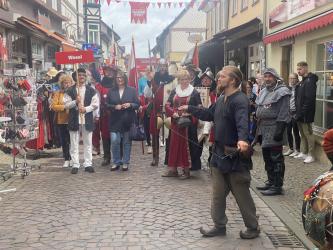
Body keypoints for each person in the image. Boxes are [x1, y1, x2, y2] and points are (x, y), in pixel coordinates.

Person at [180, 65, 260, 239]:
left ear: (232, 80)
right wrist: (190, 108)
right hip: (218, 154)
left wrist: (243, 139)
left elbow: (242, 122)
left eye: (223, 76)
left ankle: (253, 227)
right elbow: (209, 114)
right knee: (217, 194)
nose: (219, 79)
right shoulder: (223, 97)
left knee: (242, 194)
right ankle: (219, 225)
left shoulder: (240, 100)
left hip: (234, 155)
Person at [255, 68, 291, 196]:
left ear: (275, 77)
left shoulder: (282, 92)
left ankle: (277, 186)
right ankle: (270, 182)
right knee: (267, 157)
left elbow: (284, 111)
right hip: (263, 128)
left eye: (270, 76)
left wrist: (280, 129)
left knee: (276, 158)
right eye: (265, 76)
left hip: (276, 127)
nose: (267, 79)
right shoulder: (264, 90)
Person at [162, 69, 202, 179]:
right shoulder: (175, 91)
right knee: (173, 146)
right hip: (175, 123)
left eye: (187, 79)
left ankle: (186, 170)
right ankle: (173, 170)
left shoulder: (194, 92)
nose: (185, 81)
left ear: (190, 79)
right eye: (182, 79)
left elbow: (199, 109)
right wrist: (173, 113)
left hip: (187, 125)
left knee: (185, 147)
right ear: (179, 80)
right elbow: (167, 105)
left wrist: (188, 114)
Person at [64, 68, 99, 174]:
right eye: (79, 75)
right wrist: (75, 101)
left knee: (88, 142)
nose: (82, 77)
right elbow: (65, 104)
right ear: (76, 77)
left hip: (87, 119)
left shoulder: (91, 90)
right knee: (74, 143)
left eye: (83, 75)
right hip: (74, 118)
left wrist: (86, 109)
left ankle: (88, 163)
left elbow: (95, 104)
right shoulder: (70, 90)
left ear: (86, 77)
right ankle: (75, 164)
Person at [106, 70, 140, 171]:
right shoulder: (111, 91)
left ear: (124, 78)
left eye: (121, 77)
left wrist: (130, 105)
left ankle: (125, 162)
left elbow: (137, 104)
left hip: (127, 120)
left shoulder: (132, 90)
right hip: (115, 120)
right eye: (117, 78)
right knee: (115, 141)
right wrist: (114, 106)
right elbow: (106, 105)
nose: (119, 79)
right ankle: (116, 162)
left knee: (126, 142)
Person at [149, 59, 175, 166]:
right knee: (155, 135)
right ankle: (155, 157)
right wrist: (149, 82)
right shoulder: (154, 78)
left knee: (169, 135)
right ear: (159, 67)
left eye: (165, 66)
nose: (163, 68)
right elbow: (148, 94)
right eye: (161, 66)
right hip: (157, 112)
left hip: (168, 112)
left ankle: (168, 158)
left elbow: (174, 94)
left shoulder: (171, 79)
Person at [295, 61, 318, 164]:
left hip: (306, 114)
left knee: (308, 133)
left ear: (306, 68)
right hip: (300, 113)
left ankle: (311, 155)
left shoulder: (310, 81)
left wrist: (302, 112)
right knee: (302, 134)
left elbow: (309, 100)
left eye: (300, 69)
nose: (298, 71)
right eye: (297, 69)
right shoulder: (302, 81)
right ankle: (304, 152)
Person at [95, 65, 117, 166]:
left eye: (110, 71)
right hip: (105, 115)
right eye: (106, 71)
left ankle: (118, 157)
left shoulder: (117, 84)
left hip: (117, 114)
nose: (108, 73)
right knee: (105, 136)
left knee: (117, 136)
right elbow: (96, 100)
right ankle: (107, 157)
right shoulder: (100, 86)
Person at [50, 75, 73, 168]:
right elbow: (54, 106)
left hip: (72, 120)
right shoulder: (58, 93)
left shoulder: (74, 93)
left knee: (72, 140)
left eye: (68, 82)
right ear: (62, 84)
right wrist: (64, 107)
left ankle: (72, 158)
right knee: (64, 141)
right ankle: (66, 158)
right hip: (61, 121)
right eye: (65, 83)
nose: (67, 84)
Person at [284, 73, 301, 157]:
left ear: (297, 79)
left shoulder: (299, 88)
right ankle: (291, 148)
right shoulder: (287, 88)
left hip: (295, 112)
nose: (291, 80)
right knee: (288, 131)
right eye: (290, 78)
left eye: (293, 78)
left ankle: (297, 149)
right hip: (288, 112)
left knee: (295, 131)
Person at [90, 69, 102, 156]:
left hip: (100, 111)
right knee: (95, 131)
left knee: (102, 131)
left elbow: (98, 100)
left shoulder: (99, 87)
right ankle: (96, 146)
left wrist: (97, 114)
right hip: (91, 111)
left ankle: (101, 147)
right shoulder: (89, 87)